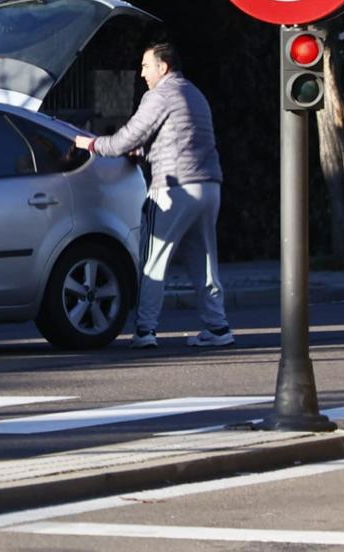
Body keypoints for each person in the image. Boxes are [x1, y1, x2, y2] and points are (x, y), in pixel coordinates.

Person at [74, 41, 232, 349]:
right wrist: (144, 150)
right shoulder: (194, 93)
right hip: (209, 185)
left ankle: (145, 331)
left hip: (174, 187)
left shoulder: (159, 95)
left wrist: (90, 144)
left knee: (153, 261)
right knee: (205, 261)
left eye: (146, 66)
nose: (141, 72)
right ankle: (218, 327)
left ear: (164, 67)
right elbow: (176, 135)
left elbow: (126, 138)